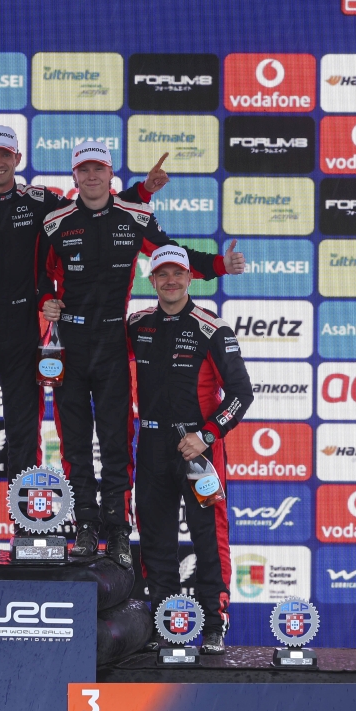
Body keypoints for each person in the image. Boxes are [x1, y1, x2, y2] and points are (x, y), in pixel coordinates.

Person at [0, 126, 173, 549]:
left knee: (25, 431)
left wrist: (141, 192)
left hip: (23, 328)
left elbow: (95, 205)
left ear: (18, 158)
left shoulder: (42, 201)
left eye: (6, 155)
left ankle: (27, 526)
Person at [39, 142, 245, 567]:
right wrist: (46, 300)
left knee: (116, 441)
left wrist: (219, 266)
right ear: (74, 176)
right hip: (70, 345)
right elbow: (38, 274)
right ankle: (84, 525)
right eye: (84, 170)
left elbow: (173, 254)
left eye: (98, 169)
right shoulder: (56, 221)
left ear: (110, 175)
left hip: (113, 342)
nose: (91, 177)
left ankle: (117, 530)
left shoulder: (134, 216)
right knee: (74, 443)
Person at [127, 244, 254, 653]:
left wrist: (208, 435)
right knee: (155, 539)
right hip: (151, 446)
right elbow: (101, 359)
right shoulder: (137, 324)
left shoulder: (212, 328)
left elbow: (241, 393)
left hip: (198, 451)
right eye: (162, 274)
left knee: (208, 536)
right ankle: (166, 626)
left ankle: (214, 624)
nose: (171, 281)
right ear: (152, 279)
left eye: (178, 273)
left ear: (190, 277)